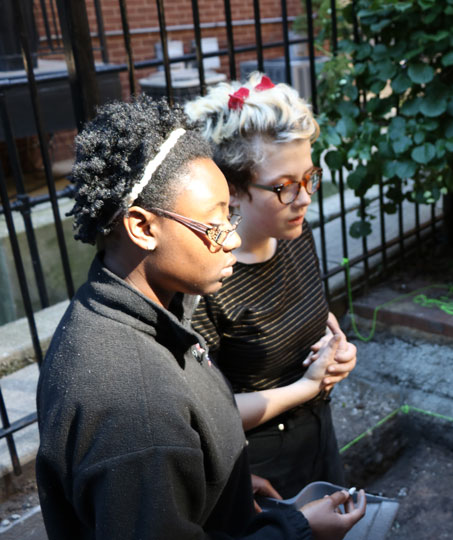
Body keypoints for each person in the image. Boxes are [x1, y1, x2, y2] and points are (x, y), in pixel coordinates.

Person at [36, 96, 365, 539]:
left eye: (230, 215)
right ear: (142, 227)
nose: (231, 238)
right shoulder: (135, 413)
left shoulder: (136, 318)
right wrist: (297, 530)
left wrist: (219, 486)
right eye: (215, 223)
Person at [184, 73, 357, 498]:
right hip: (258, 461)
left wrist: (338, 348)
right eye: (282, 187)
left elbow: (313, 312)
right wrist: (307, 387)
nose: (304, 198)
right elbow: (205, 414)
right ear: (234, 191)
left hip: (318, 431)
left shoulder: (294, 234)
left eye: (309, 178)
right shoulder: (206, 282)